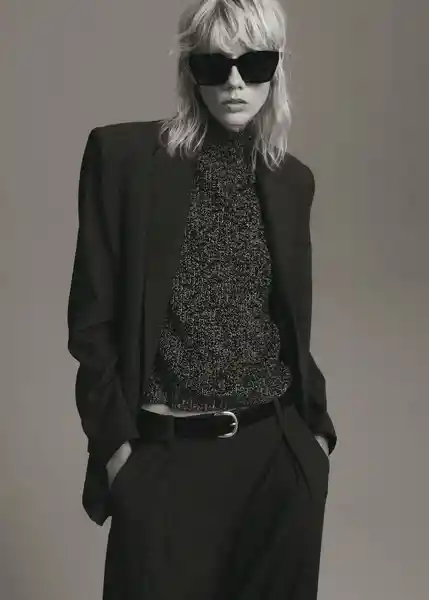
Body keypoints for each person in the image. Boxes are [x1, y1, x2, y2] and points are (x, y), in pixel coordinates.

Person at [67, 0, 338, 598]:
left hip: (274, 461)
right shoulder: (125, 160)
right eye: (216, 65)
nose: (235, 82)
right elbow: (91, 323)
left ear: (277, 67)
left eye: (254, 63)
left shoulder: (293, 181)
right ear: (191, 71)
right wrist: (116, 453)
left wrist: (315, 443)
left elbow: (288, 324)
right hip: (165, 459)